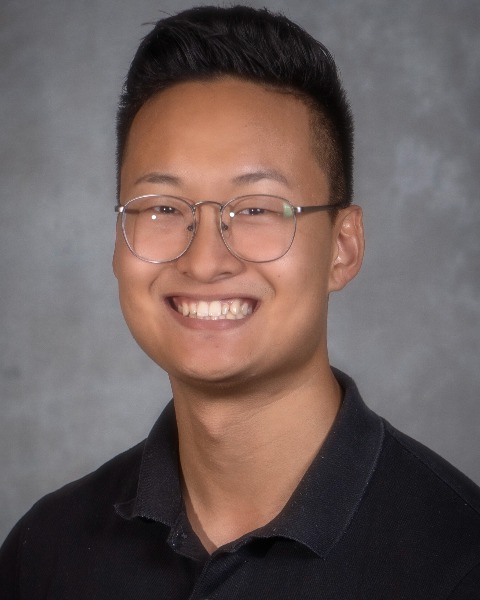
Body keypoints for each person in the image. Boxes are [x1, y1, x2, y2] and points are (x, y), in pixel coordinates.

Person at [1, 5, 479, 598]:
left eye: (256, 209)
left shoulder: (459, 561)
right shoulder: (44, 553)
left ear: (343, 247)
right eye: (162, 208)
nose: (204, 261)